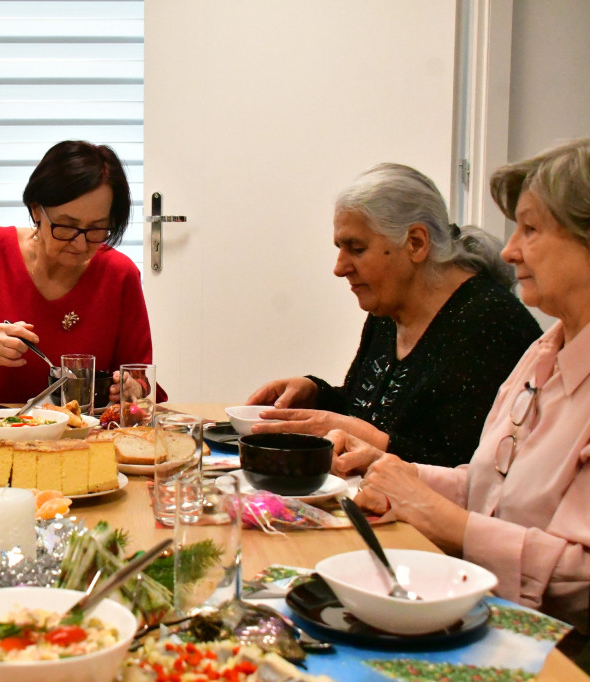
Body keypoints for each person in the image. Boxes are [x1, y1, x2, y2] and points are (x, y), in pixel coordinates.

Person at [332, 138, 590, 631]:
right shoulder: (545, 353)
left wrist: (442, 519)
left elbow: (581, 582)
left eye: (531, 229)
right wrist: (394, 472)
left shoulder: (494, 323)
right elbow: (485, 487)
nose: (509, 249)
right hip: (479, 611)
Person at [246, 163, 541, 467]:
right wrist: (316, 394)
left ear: (416, 243)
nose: (339, 267)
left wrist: (368, 439)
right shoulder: (388, 307)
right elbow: (371, 412)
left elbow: (474, 476)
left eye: (356, 248)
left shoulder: (490, 325)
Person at [0, 140, 165, 403]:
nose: (80, 243)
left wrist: (131, 388)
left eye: (96, 229)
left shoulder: (119, 274)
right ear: (37, 210)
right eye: (67, 226)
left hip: (80, 438)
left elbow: (140, 374)